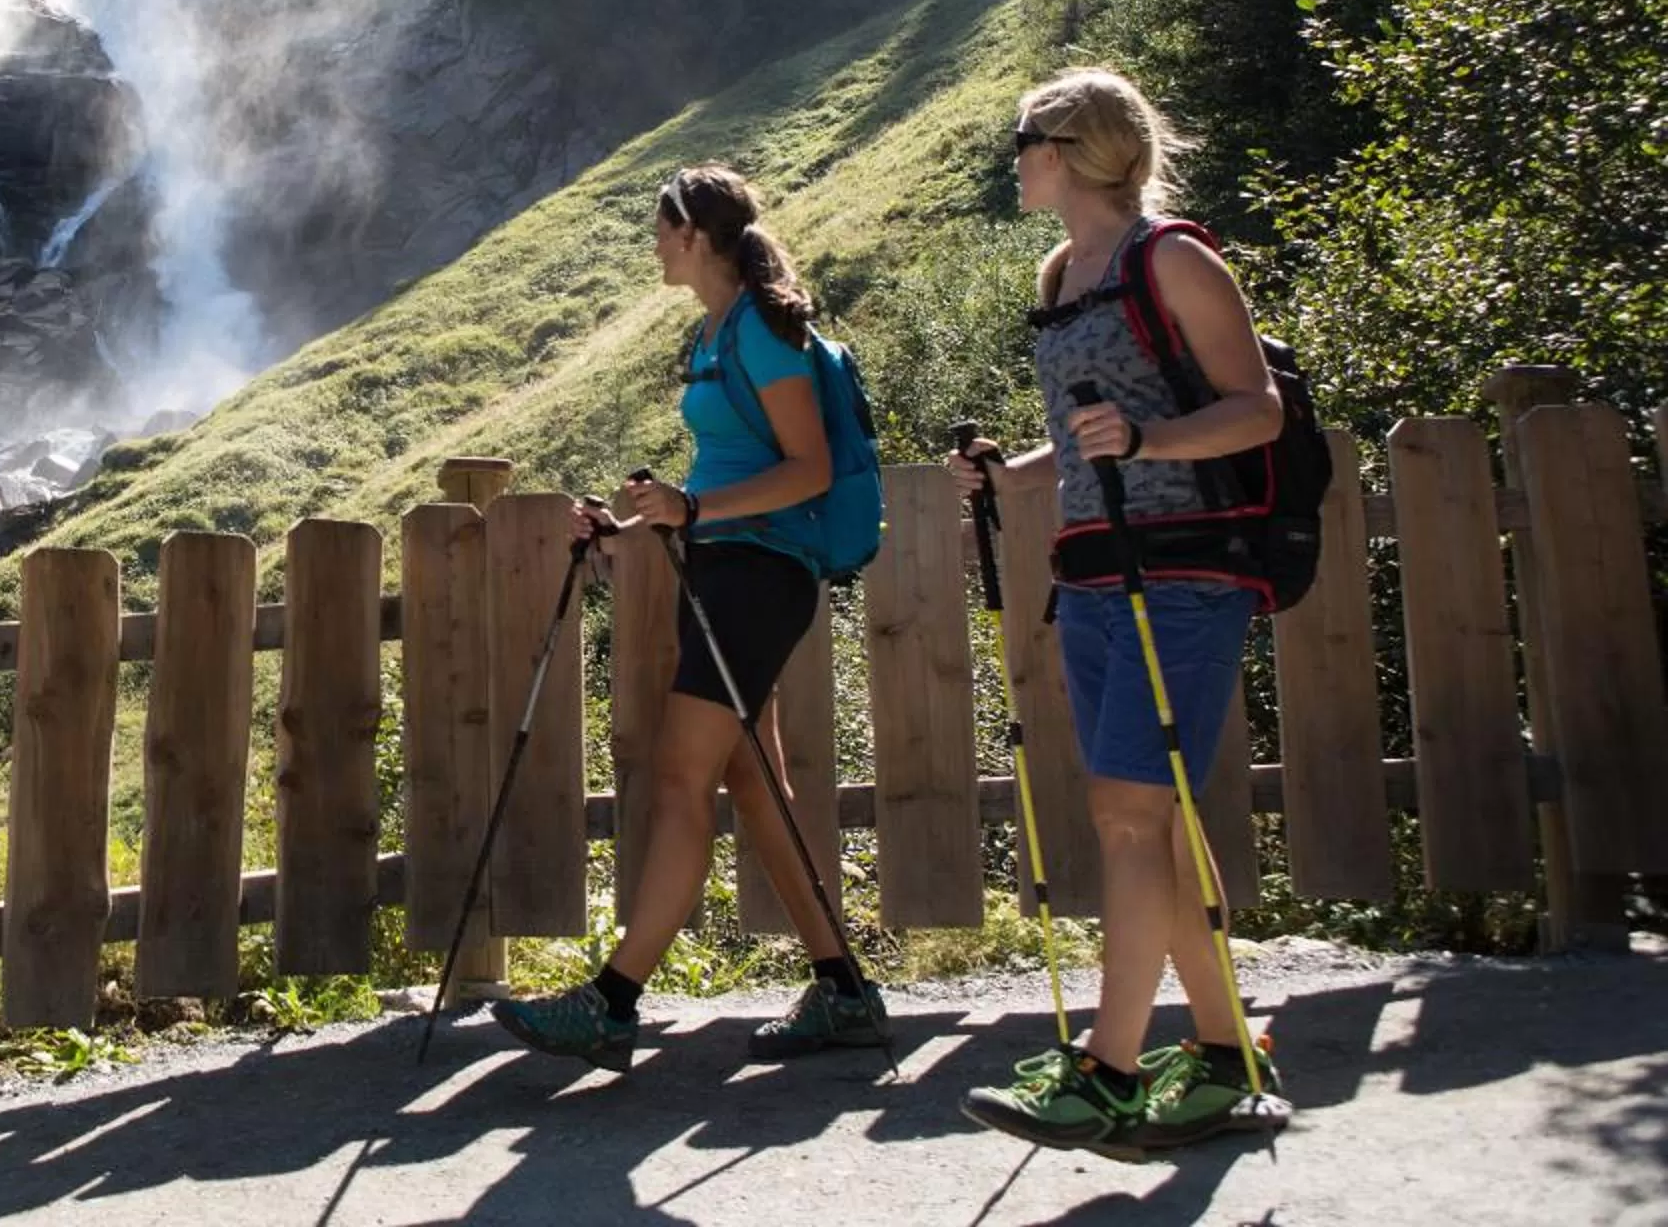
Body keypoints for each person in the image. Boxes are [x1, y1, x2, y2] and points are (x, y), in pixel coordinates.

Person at [951, 67, 1290, 1152]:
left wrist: (1148, 446)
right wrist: (1017, 474)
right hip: (1094, 570)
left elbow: (1256, 411)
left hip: (1185, 570)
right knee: (1144, 820)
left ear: (1067, 146)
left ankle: (1108, 1066)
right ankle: (1229, 1054)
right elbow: (1099, 425)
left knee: (1130, 817)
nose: (1012, 158)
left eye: (1022, 139)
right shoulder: (1061, 272)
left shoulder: (1173, 259)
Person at [490, 165, 885, 1072]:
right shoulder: (717, 330)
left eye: (661, 227)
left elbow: (810, 470)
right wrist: (636, 525)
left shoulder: (765, 334)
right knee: (755, 787)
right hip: (729, 570)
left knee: (679, 782)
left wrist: (695, 512)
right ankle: (846, 994)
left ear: (696, 234)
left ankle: (613, 1000)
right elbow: (718, 481)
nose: (653, 243)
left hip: (759, 576)